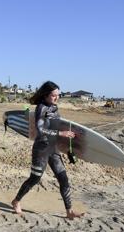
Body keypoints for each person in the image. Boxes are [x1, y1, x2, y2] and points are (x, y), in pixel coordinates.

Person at [11, 81, 84, 219]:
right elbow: (40, 130)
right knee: (35, 178)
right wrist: (61, 134)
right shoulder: (41, 108)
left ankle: (69, 211)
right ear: (45, 95)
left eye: (58, 95)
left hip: (53, 148)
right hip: (42, 149)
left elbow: (55, 125)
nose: (56, 98)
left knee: (63, 179)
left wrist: (67, 136)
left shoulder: (54, 108)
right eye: (53, 95)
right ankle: (16, 201)